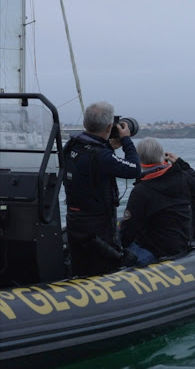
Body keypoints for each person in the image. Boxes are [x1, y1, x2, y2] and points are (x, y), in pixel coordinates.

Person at [63, 102, 141, 276]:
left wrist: (109, 146)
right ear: (109, 126)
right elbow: (134, 169)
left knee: (80, 267)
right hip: (98, 226)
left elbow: (89, 160)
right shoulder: (101, 156)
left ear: (85, 124)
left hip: (75, 220)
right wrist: (127, 140)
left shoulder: (71, 146)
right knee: (104, 269)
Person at [120, 137, 195, 265]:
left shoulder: (141, 191)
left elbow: (129, 230)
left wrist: (117, 247)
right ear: (162, 156)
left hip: (155, 252)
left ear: (139, 160)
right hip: (180, 246)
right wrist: (181, 163)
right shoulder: (183, 177)